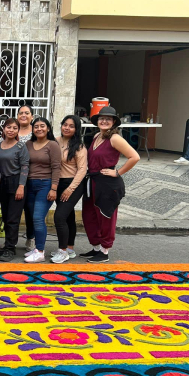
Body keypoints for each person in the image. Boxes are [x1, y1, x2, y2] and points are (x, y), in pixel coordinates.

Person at [82, 106, 139, 263]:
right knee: (90, 215)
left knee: (106, 216)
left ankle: (105, 250)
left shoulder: (115, 138)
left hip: (108, 183)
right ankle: (96, 248)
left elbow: (134, 157)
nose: (104, 121)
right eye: (101, 118)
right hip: (93, 181)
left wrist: (118, 172)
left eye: (108, 119)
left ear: (114, 122)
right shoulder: (96, 136)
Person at [24, 117, 61, 263]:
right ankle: (36, 249)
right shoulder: (28, 144)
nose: (39, 129)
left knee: (38, 218)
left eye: (42, 126)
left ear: (48, 129)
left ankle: (40, 251)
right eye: (36, 126)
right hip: (29, 185)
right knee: (32, 218)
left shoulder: (52, 145)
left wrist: (53, 188)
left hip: (45, 185)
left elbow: (56, 167)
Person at [51, 115, 88, 264]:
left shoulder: (79, 147)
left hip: (74, 184)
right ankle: (70, 248)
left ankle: (63, 251)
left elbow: (82, 170)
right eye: (65, 124)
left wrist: (70, 189)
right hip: (58, 182)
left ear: (76, 129)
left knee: (59, 216)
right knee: (68, 216)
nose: (67, 128)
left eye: (71, 126)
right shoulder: (55, 141)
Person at [0, 118, 29, 262]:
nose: (11, 130)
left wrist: (21, 186)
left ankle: (10, 248)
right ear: (4, 129)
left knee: (13, 218)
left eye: (15, 128)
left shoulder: (21, 147)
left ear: (17, 131)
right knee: (6, 215)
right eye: (8, 127)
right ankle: (7, 244)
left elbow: (25, 167)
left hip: (16, 183)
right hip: (3, 183)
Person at [16, 105, 36, 252]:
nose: (24, 115)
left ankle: (31, 238)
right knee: (12, 211)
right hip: (13, 177)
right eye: (21, 113)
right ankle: (10, 241)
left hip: (33, 176)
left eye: (27, 113)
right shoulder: (12, 130)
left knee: (30, 210)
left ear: (32, 116)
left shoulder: (37, 131)